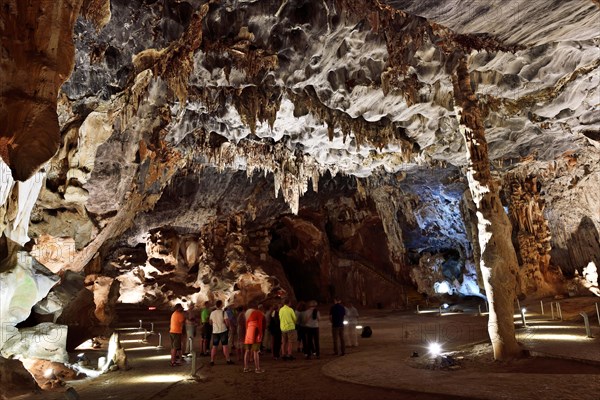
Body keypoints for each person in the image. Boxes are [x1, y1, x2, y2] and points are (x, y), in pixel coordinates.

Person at [209, 300, 234, 366]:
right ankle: (228, 360)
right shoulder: (223, 312)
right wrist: (228, 326)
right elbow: (227, 322)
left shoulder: (212, 313)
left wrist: (215, 324)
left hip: (215, 331)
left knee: (214, 346)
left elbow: (210, 322)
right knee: (225, 346)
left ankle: (212, 360)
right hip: (223, 331)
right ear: (220, 305)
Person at [243, 304, 265, 373]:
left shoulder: (249, 315)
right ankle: (257, 368)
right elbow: (260, 325)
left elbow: (246, 325)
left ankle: (246, 368)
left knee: (247, 350)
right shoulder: (259, 313)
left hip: (248, 333)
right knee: (256, 351)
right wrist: (261, 334)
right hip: (256, 332)